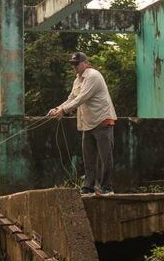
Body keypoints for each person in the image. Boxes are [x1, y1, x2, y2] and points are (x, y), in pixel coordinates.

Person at [48, 52, 117, 195]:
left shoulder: (93, 76)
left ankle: (107, 188)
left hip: (102, 120)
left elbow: (82, 98)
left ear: (85, 63)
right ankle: (88, 186)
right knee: (88, 158)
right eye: (72, 64)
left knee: (106, 157)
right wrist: (57, 109)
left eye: (76, 64)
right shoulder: (77, 80)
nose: (74, 67)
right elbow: (71, 98)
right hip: (88, 123)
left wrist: (64, 111)